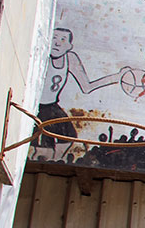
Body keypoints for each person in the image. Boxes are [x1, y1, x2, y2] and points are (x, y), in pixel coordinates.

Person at [33, 27, 130, 160]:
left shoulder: (70, 58)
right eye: (54, 38)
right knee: (44, 147)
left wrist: (116, 77)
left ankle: (56, 160)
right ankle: (43, 156)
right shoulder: (43, 54)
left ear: (69, 46)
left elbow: (87, 87)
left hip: (52, 107)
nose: (57, 43)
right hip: (36, 107)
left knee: (69, 136)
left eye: (62, 40)